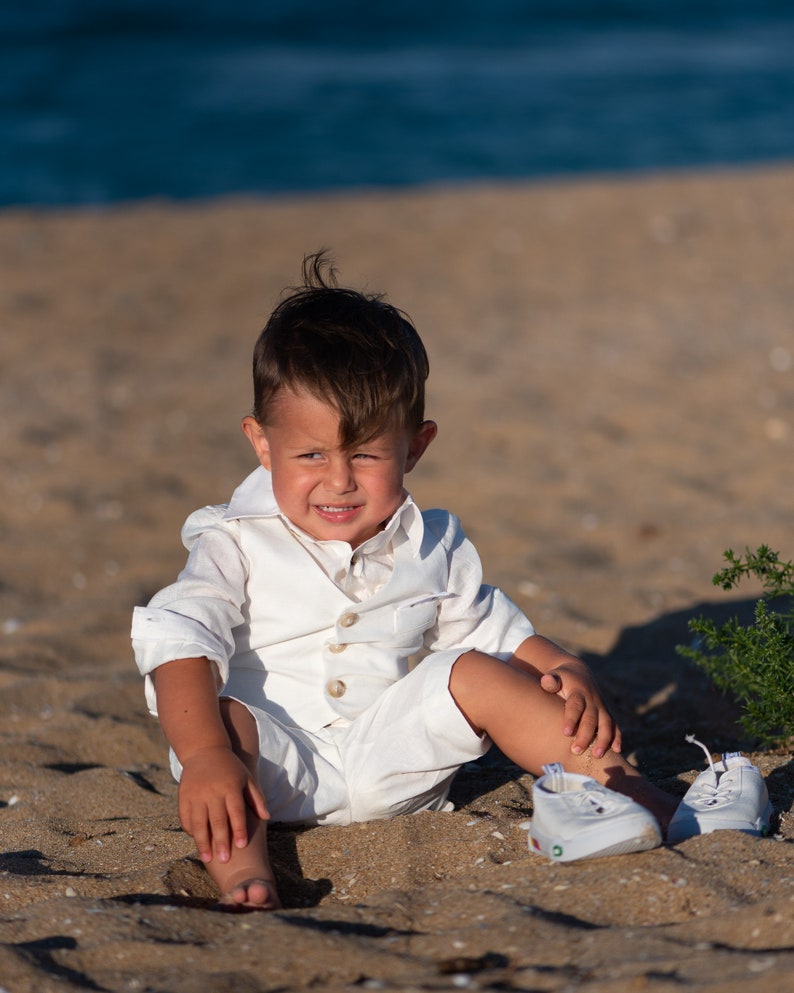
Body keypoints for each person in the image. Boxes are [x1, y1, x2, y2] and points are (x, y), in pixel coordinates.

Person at [132, 253, 678, 910]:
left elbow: (497, 634)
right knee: (222, 717)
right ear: (262, 443)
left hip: (390, 759)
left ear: (415, 447)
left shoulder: (432, 542)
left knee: (473, 668)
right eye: (311, 455)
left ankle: (629, 788)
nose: (338, 480)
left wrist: (565, 665)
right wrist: (205, 756)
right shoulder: (234, 538)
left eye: (365, 453)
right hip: (271, 768)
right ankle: (247, 874)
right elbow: (181, 638)